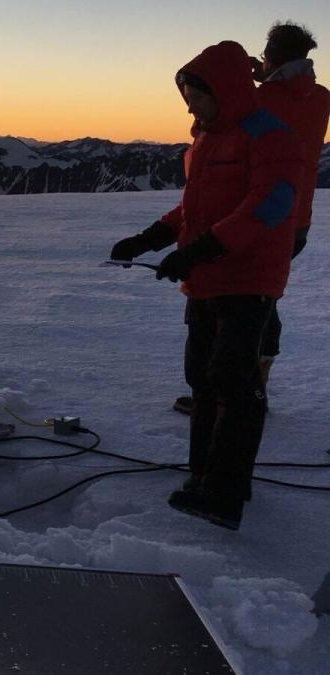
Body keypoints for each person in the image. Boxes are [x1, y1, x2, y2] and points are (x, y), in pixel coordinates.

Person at [109, 41, 303, 529]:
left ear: (224, 89)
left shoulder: (268, 136)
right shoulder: (205, 139)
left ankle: (225, 492)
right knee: (202, 376)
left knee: (233, 382)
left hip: (248, 279)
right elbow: (193, 208)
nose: (187, 104)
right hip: (206, 281)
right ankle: (203, 476)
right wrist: (150, 237)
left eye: (194, 93)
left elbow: (271, 206)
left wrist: (202, 249)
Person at [174, 23, 330, 415]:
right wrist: (266, 77)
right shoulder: (321, 98)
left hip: (243, 215)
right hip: (297, 218)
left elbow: (208, 130)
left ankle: (230, 393)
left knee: (233, 302)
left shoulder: (262, 101)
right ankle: (254, 383)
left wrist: (241, 81)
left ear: (270, 56)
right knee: (264, 297)